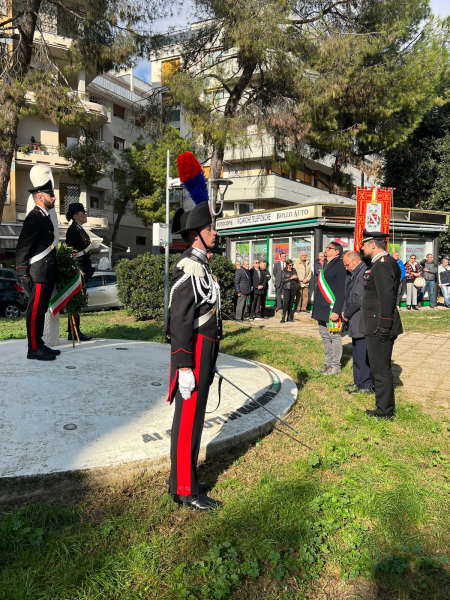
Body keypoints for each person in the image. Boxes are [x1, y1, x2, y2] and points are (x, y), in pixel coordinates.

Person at [167, 201, 222, 511]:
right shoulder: (189, 266)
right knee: (188, 420)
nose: (214, 232)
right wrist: (184, 366)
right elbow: (180, 321)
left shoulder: (201, 263)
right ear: (196, 234)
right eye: (210, 228)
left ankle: (184, 479)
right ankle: (185, 490)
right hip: (193, 353)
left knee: (195, 419)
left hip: (204, 349)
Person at [16, 168, 60, 361]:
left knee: (41, 310)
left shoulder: (44, 217)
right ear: (41, 197)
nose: (54, 198)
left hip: (46, 272)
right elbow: (23, 248)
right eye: (51, 195)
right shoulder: (34, 218)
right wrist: (24, 275)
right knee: (35, 312)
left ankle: (39, 343)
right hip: (38, 272)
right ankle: (33, 349)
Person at [360, 230, 403, 419]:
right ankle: (383, 408)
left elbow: (387, 297)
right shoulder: (380, 263)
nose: (361, 248)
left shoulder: (383, 265)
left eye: (364, 245)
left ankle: (384, 411)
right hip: (376, 322)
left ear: (372, 245)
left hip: (379, 324)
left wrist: (384, 325)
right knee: (380, 368)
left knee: (380, 369)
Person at [312, 241, 346, 375]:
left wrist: (337, 310)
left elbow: (340, 290)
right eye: (326, 247)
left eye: (329, 248)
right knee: (325, 336)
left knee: (334, 337)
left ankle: (336, 366)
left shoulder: (340, 265)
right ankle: (328, 363)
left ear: (337, 251)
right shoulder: (326, 264)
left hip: (332, 308)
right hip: (321, 308)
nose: (326, 250)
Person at [342, 251, 373, 394]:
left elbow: (358, 298)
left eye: (347, 264)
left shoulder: (364, 273)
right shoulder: (355, 273)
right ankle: (358, 382)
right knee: (356, 353)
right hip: (355, 320)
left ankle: (366, 385)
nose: (346, 268)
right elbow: (348, 294)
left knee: (363, 354)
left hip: (361, 318)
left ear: (355, 261)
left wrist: (346, 313)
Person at [65, 203, 95, 341]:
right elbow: (71, 252)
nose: (85, 215)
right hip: (78, 271)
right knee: (75, 301)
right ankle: (73, 331)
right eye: (83, 213)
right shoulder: (73, 230)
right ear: (76, 216)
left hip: (83, 270)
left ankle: (75, 330)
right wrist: (77, 268)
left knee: (78, 301)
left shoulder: (79, 229)